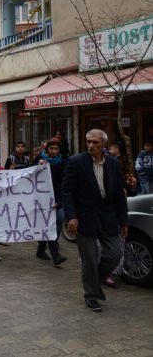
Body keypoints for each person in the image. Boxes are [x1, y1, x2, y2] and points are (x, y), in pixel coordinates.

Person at [62, 129, 128, 312]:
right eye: (89, 141)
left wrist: (123, 222)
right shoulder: (76, 162)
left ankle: (94, 281)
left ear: (104, 145)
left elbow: (119, 196)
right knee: (90, 259)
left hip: (108, 218)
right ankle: (91, 296)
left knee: (115, 254)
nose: (91, 145)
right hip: (84, 219)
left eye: (95, 142)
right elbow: (67, 192)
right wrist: (71, 216)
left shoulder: (114, 164)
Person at [33, 139, 67, 266]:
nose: (53, 151)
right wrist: (38, 165)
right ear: (47, 149)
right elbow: (29, 173)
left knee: (57, 223)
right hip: (42, 198)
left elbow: (64, 182)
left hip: (57, 199)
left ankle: (41, 249)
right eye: (51, 149)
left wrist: (59, 200)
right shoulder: (39, 160)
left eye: (56, 149)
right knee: (49, 225)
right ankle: (55, 254)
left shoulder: (63, 163)